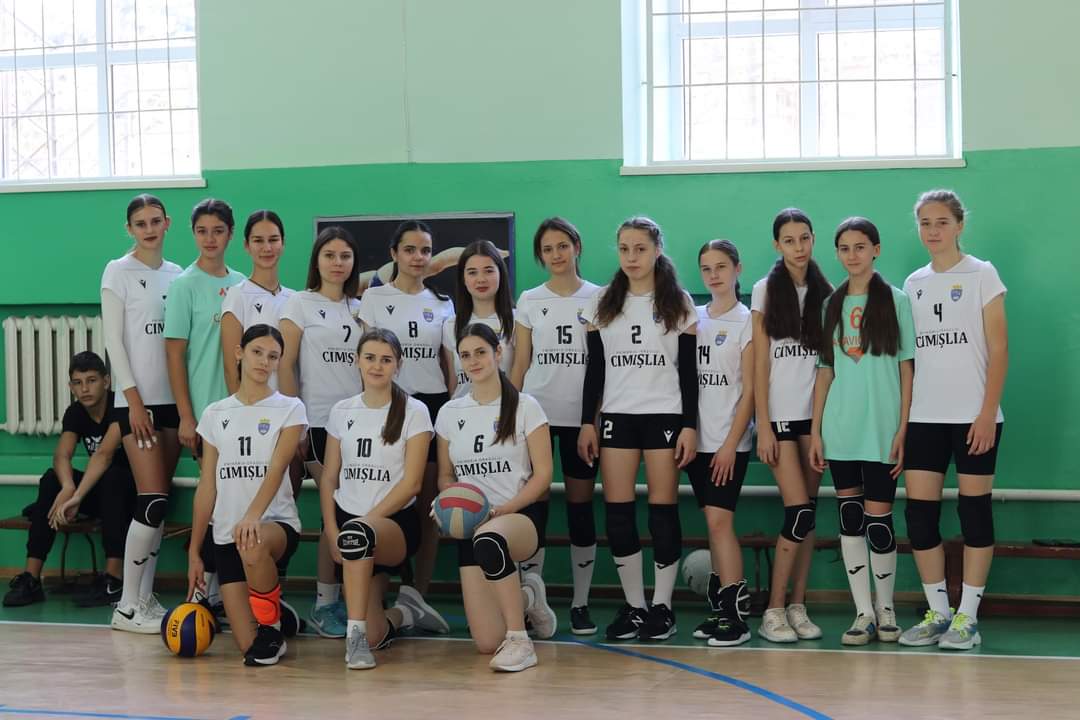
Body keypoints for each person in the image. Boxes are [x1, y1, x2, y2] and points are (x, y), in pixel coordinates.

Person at [577, 216, 698, 642]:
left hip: (664, 416)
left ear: (657, 250)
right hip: (617, 417)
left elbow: (688, 373)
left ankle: (662, 607)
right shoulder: (602, 302)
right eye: (624, 248)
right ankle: (634, 606)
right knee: (619, 514)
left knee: (662, 513)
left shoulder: (677, 301)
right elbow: (595, 370)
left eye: (640, 248)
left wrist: (689, 426)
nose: (632, 257)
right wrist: (587, 422)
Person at [898, 190, 1008, 651]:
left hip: (974, 418)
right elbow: (909, 359)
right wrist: (904, 423)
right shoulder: (914, 283)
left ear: (960, 225)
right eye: (925, 222)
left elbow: (999, 349)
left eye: (941, 222)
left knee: (973, 512)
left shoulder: (982, 273)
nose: (933, 230)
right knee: (920, 516)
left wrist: (985, 414)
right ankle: (939, 613)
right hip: (925, 417)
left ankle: (968, 618)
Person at [809, 217, 914, 645]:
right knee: (849, 519)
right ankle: (862, 612)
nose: (852, 255)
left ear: (876, 249)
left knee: (879, 522)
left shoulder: (897, 300)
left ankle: (887, 609)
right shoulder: (830, 305)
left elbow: (906, 369)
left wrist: (903, 428)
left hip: (883, 429)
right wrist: (816, 431)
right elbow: (825, 371)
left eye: (860, 246)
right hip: (841, 429)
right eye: (844, 248)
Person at [435, 323, 557, 672]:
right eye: (465, 355)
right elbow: (445, 476)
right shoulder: (450, 412)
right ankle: (528, 595)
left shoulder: (525, 406)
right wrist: (448, 502)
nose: (473, 361)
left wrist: (503, 509)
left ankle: (521, 641)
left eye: (481, 352)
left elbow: (543, 475)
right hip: (471, 525)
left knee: (489, 538)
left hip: (518, 517)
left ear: (498, 353)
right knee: (487, 642)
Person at [187, 324, 305, 666]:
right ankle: (278, 613)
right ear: (239, 353)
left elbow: (277, 469)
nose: (264, 361)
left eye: (273, 356)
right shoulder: (215, 413)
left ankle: (271, 626)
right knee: (247, 646)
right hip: (227, 536)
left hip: (273, 526)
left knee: (252, 543)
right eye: (257, 352)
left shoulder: (290, 408)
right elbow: (207, 486)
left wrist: (252, 516)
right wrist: (195, 551)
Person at [356, 220, 453, 634]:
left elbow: (448, 364)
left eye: (425, 250)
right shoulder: (374, 298)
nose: (418, 257)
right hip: (387, 407)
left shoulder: (443, 303)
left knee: (427, 506)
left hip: (430, 408)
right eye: (410, 249)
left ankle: (416, 595)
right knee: (387, 497)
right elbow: (367, 359)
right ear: (394, 253)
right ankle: (377, 591)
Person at [320, 329, 435, 668]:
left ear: (398, 365)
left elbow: (412, 484)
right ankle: (405, 612)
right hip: (348, 522)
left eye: (386, 360)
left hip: (393, 525)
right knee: (377, 634)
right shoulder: (341, 410)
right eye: (370, 358)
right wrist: (331, 531)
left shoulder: (415, 411)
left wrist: (362, 524)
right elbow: (329, 477)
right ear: (357, 360)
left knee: (357, 535)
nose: (377, 366)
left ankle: (353, 642)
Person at [510, 217, 602, 634]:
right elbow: (521, 364)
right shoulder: (530, 299)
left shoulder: (599, 297)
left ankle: (580, 603)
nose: (556, 254)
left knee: (581, 508)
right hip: (537, 419)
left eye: (562, 246)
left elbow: (600, 367)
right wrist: (509, 416)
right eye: (547, 249)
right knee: (536, 508)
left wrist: (591, 420)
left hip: (581, 422)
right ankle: (533, 600)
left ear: (577, 247)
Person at [101, 193, 183, 633]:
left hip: (173, 403)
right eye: (140, 223)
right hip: (138, 403)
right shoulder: (118, 271)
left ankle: (146, 599)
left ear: (167, 223)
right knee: (150, 500)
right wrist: (133, 400)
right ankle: (127, 607)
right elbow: (114, 341)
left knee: (159, 506)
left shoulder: (178, 275)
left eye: (155, 221)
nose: (149, 229)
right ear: (129, 229)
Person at [751, 208, 832, 643]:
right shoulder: (765, 290)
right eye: (789, 240)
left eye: (804, 238)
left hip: (813, 421)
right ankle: (773, 609)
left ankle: (798, 606)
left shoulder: (826, 292)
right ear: (776, 244)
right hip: (779, 418)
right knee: (797, 512)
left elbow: (826, 368)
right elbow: (760, 363)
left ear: (813, 239)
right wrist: (762, 425)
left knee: (809, 515)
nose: (798, 247)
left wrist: (820, 428)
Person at [279, 226, 363, 638]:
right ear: (317, 260)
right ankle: (324, 601)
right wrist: (294, 422)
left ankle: (349, 596)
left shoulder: (361, 308)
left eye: (345, 256)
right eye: (329, 255)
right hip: (317, 423)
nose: (337, 263)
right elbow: (285, 364)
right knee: (335, 506)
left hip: (358, 426)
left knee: (353, 508)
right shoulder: (299, 303)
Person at [3, 352, 134, 608]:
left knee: (113, 477)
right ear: (71, 386)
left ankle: (113, 580)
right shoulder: (75, 412)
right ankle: (31, 578)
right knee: (51, 479)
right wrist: (67, 486)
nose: (84, 389)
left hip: (131, 494)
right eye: (78, 382)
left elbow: (104, 455)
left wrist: (77, 496)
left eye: (91, 380)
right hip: (100, 493)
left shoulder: (121, 407)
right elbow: (61, 455)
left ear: (106, 381)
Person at [686, 240, 755, 647]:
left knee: (719, 523)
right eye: (706, 268)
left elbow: (749, 392)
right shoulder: (693, 318)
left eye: (721, 267)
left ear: (737, 269)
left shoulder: (748, 322)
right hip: (696, 442)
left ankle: (735, 615)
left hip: (729, 442)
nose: (714, 275)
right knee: (712, 526)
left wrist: (731, 443)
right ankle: (720, 609)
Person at [221, 210, 295, 394]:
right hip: (253, 406)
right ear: (247, 245)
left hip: (290, 406)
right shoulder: (237, 295)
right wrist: (241, 408)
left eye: (273, 240)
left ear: (283, 243)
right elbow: (231, 368)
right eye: (258, 240)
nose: (267, 248)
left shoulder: (295, 298)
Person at [443, 240, 516, 399]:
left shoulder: (517, 321)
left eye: (488, 271)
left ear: (501, 273)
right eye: (472, 272)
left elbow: (521, 372)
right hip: (463, 411)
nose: (481, 279)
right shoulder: (450, 325)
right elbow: (453, 383)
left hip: (505, 408)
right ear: (463, 278)